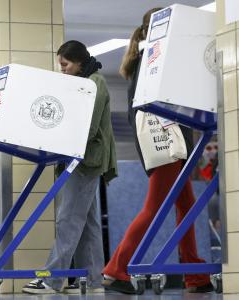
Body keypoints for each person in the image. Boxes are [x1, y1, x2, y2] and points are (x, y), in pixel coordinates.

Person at [101, 8, 213, 294]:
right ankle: (116, 268)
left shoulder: (147, 58)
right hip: (164, 141)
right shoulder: (154, 57)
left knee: (185, 206)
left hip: (169, 141)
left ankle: (194, 273)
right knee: (154, 208)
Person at [22, 40, 117, 295]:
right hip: (80, 158)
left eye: (65, 65)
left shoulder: (95, 82)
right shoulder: (82, 83)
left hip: (85, 160)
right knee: (87, 222)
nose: (62, 69)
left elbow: (90, 126)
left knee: (68, 219)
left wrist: (59, 142)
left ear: (79, 62)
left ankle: (52, 279)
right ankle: (92, 280)